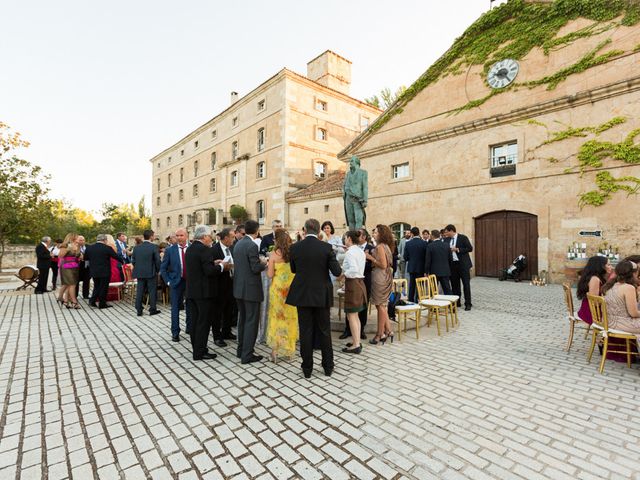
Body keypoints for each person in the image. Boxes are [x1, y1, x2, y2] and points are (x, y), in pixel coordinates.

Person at [286, 218, 342, 378]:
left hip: (303, 293)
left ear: (304, 230)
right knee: (325, 330)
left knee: (305, 330)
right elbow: (337, 271)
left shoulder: (295, 247)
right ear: (319, 232)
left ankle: (307, 368)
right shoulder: (326, 247)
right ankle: (328, 366)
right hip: (321, 294)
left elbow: (293, 269)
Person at [185, 225, 228, 361]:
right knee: (203, 323)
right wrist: (221, 266)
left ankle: (197, 348)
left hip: (192, 291)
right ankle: (200, 352)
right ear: (204, 237)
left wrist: (213, 262)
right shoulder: (205, 250)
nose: (212, 239)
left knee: (194, 322)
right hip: (204, 293)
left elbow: (199, 266)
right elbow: (209, 271)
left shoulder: (190, 249)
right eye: (210, 236)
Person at [233, 220, 267, 364]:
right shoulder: (252, 245)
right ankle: (247, 354)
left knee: (243, 320)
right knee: (251, 321)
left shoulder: (238, 243)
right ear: (257, 230)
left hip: (239, 288)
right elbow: (254, 268)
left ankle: (241, 350)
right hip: (251, 289)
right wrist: (264, 263)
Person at [266, 229, 298, 362]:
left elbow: (270, 275)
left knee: (276, 318)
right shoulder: (293, 253)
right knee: (290, 318)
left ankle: (275, 352)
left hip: (277, 291)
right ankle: (290, 352)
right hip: (290, 289)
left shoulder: (273, 255)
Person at [160, 228, 192, 342]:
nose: (179, 237)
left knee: (190, 305)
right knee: (175, 308)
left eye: (181, 235)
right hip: (175, 282)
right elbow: (163, 268)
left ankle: (189, 327)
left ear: (187, 236)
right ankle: (175, 332)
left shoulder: (192, 248)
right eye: (177, 235)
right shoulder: (170, 250)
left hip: (190, 282)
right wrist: (168, 281)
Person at [339, 230, 367, 354]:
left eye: (345, 238)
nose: (344, 241)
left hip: (353, 283)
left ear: (349, 239)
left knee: (351, 315)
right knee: (355, 315)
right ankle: (357, 341)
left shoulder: (350, 253)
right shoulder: (360, 251)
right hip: (360, 283)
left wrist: (344, 274)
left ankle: (356, 344)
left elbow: (353, 270)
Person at [366, 224, 394, 344]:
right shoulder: (386, 246)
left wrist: (370, 257)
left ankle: (379, 334)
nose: (373, 234)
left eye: (376, 232)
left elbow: (382, 264)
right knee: (381, 305)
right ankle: (388, 331)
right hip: (385, 276)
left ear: (381, 234)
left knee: (380, 306)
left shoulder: (380, 247)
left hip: (379, 277)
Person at [602, 261, 640, 341]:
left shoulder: (611, 285)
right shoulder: (629, 288)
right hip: (622, 324)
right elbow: (633, 313)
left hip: (608, 322)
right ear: (634, 273)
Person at [212, 228, 236, 346]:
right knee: (218, 311)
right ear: (226, 238)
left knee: (229, 309)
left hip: (231, 283)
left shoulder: (231, 248)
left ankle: (227, 331)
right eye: (232, 237)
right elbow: (212, 268)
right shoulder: (214, 250)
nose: (234, 239)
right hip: (219, 285)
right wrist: (222, 266)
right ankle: (217, 336)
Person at [84, 234, 123, 309]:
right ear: (105, 240)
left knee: (96, 286)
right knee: (103, 287)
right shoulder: (107, 248)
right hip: (104, 271)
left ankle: (92, 301)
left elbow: (86, 258)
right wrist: (122, 261)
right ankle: (102, 304)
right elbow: (115, 256)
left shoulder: (89, 248)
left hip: (94, 270)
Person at [132, 230, 162, 316]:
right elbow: (157, 260)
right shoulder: (154, 247)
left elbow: (133, 261)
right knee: (152, 291)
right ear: (151, 236)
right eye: (153, 235)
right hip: (151, 272)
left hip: (139, 272)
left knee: (140, 291)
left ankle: (139, 310)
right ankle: (152, 309)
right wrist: (157, 270)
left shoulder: (136, 247)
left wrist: (138, 268)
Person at [444, 224, 473, 311]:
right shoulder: (446, 240)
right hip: (453, 265)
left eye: (447, 232)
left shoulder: (463, 237)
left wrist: (458, 249)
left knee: (466, 284)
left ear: (451, 231)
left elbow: (470, 248)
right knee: (455, 285)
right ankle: (457, 302)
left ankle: (468, 303)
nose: (446, 234)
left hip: (463, 265)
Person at [576, 256, 612, 325]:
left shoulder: (597, 277)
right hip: (591, 313)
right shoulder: (595, 279)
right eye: (608, 265)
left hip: (591, 310)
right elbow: (594, 303)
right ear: (600, 266)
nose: (611, 267)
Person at [425, 229, 453, 295]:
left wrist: (426, 271)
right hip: (445, 270)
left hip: (434, 271)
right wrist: (448, 268)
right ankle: (449, 304)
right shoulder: (446, 245)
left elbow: (428, 260)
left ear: (432, 236)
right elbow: (450, 259)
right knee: (447, 289)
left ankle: (432, 304)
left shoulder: (430, 246)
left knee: (432, 290)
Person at [57, 233, 81, 308]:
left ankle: (63, 299)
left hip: (75, 267)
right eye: (77, 237)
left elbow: (80, 256)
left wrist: (80, 254)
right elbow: (60, 256)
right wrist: (69, 249)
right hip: (66, 267)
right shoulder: (65, 245)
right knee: (72, 284)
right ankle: (74, 302)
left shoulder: (77, 245)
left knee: (67, 284)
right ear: (72, 238)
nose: (78, 239)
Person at [404, 227, 427, 303]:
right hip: (421, 267)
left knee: (412, 284)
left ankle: (410, 299)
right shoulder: (424, 243)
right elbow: (426, 256)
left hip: (412, 267)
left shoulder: (408, 243)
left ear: (412, 234)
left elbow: (405, 257)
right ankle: (419, 298)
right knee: (420, 284)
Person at [104, 235, 125, 301]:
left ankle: (107, 295)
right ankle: (115, 295)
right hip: (114, 265)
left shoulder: (106, 246)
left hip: (108, 265)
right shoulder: (114, 246)